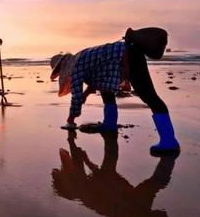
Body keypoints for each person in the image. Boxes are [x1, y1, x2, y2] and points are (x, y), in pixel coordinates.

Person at [50, 28, 179, 155]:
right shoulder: (81, 57)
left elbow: (76, 97)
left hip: (129, 57)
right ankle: (109, 124)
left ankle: (169, 142)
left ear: (63, 69)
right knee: (106, 90)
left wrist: (70, 119)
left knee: (150, 97)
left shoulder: (76, 66)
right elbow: (97, 80)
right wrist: (87, 93)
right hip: (128, 54)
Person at [52, 130, 176, 217]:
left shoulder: (85, 194)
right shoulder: (81, 191)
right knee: (152, 184)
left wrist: (85, 160)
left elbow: (101, 182)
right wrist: (85, 160)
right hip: (124, 200)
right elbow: (102, 181)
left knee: (153, 184)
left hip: (123, 199)